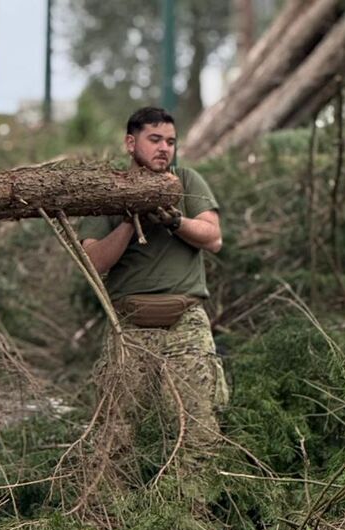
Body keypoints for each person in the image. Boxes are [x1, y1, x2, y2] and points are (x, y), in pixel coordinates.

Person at [78, 106, 229, 486]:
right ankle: (111, 515)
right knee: (118, 431)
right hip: (129, 327)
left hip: (185, 325)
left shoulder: (186, 181)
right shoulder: (108, 190)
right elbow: (94, 260)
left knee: (196, 426)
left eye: (171, 142)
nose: (165, 148)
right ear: (131, 143)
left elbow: (213, 237)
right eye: (155, 139)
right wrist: (130, 221)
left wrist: (173, 220)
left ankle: (190, 514)